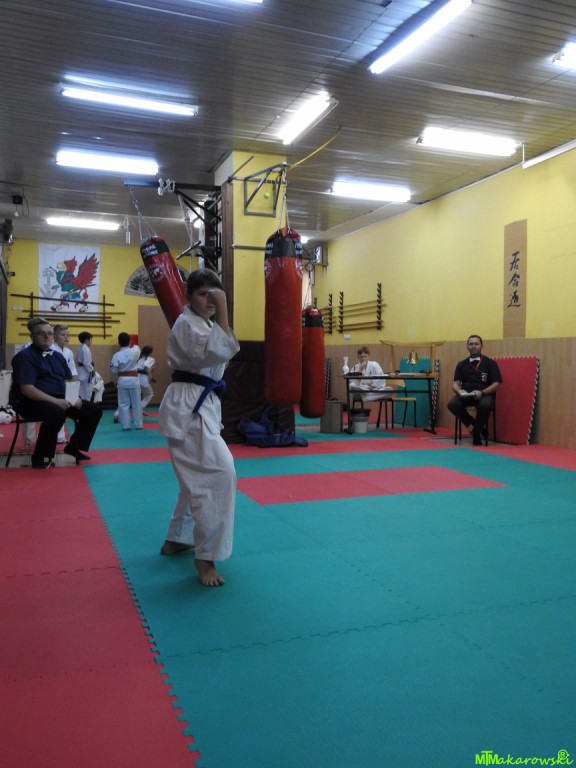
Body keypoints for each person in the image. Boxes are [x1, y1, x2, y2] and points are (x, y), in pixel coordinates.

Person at [158, 269, 240, 587]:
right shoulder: (187, 324)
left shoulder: (201, 323)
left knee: (195, 480)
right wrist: (224, 307)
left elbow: (223, 347)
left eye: (215, 294)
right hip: (190, 409)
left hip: (198, 405)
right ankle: (205, 558)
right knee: (219, 474)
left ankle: (177, 539)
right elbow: (219, 350)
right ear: (189, 296)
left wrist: (220, 308)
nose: (211, 300)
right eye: (204, 294)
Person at [11, 317, 102, 468]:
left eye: (49, 333)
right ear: (32, 336)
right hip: (30, 402)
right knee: (57, 412)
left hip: (59, 399)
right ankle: (41, 457)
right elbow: (27, 389)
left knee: (94, 410)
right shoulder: (25, 356)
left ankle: (74, 447)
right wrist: (56, 401)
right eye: (41, 333)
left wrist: (75, 398)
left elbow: (69, 380)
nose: (46, 336)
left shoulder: (57, 356)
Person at [447, 334, 502, 446]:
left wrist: (482, 392)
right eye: (471, 344)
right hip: (466, 395)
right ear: (467, 346)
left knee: (485, 405)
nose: (473, 346)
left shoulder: (490, 363)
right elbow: (455, 384)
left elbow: (496, 383)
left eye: (476, 344)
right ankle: (474, 425)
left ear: (481, 346)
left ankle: (476, 433)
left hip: (484, 394)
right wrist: (459, 391)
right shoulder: (461, 364)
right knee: (452, 404)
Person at [109, 333, 142, 430]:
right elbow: (137, 348)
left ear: (118, 343)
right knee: (136, 403)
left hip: (122, 381)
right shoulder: (135, 351)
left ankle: (125, 425)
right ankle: (139, 425)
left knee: (123, 404)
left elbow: (114, 370)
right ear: (130, 342)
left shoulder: (116, 355)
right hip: (134, 380)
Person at [52, 324, 79, 444]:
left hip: (66, 384)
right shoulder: (51, 349)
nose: (66, 337)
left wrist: (74, 385)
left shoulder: (68, 352)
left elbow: (73, 370)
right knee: (56, 411)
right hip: (54, 384)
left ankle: (61, 437)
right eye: (63, 335)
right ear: (55, 336)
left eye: (68, 335)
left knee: (65, 409)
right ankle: (54, 436)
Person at [75, 331, 95, 401]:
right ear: (86, 340)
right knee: (87, 392)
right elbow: (86, 362)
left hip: (80, 371)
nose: (91, 342)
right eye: (90, 340)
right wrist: (92, 370)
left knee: (81, 391)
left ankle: (82, 404)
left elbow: (76, 359)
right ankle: (86, 404)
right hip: (85, 372)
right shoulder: (86, 349)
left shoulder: (80, 347)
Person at [137, 345, 156, 413]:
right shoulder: (151, 359)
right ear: (150, 352)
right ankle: (140, 407)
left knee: (143, 394)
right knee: (150, 394)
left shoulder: (139, 359)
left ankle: (140, 408)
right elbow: (146, 367)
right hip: (143, 380)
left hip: (135, 379)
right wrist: (150, 377)